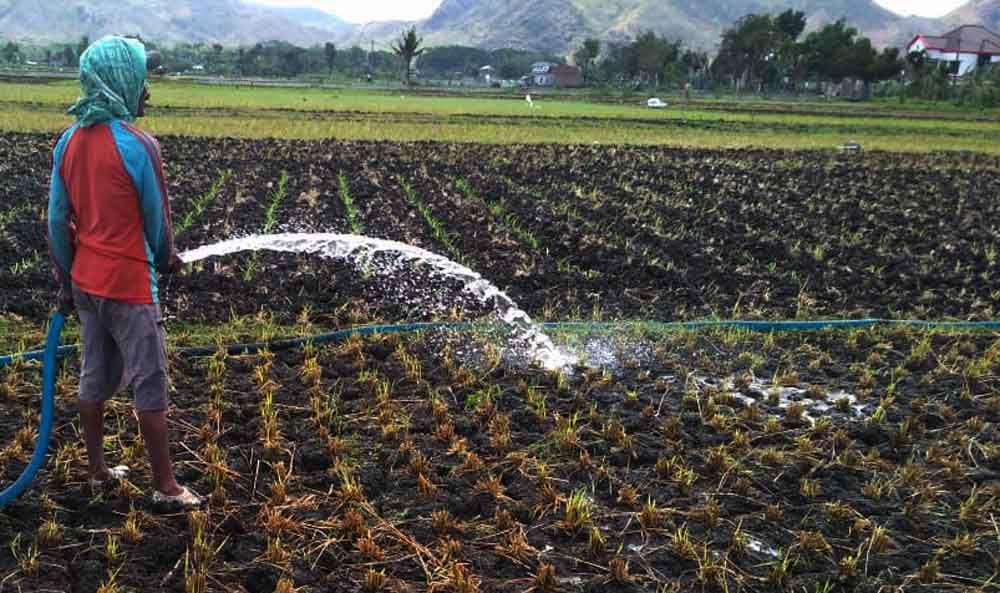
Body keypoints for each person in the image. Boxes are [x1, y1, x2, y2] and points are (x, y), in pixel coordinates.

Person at [47, 36, 201, 508]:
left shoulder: (68, 141)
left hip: (87, 283)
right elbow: (156, 222)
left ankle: (95, 469)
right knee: (150, 383)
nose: (147, 91)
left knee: (94, 375)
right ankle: (166, 487)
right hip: (131, 285)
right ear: (121, 81)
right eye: (142, 79)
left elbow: (56, 219)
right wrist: (166, 257)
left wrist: (66, 279)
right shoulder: (139, 145)